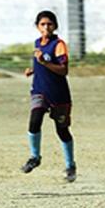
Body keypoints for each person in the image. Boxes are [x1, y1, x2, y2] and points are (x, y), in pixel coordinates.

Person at [21, 10, 77, 182]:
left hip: (58, 94)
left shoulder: (59, 45)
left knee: (62, 130)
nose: (46, 27)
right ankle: (35, 157)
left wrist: (44, 63)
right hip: (39, 91)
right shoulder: (37, 43)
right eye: (43, 24)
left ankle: (70, 165)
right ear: (37, 26)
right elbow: (41, 63)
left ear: (55, 26)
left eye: (49, 24)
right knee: (35, 120)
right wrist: (34, 70)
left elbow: (63, 70)